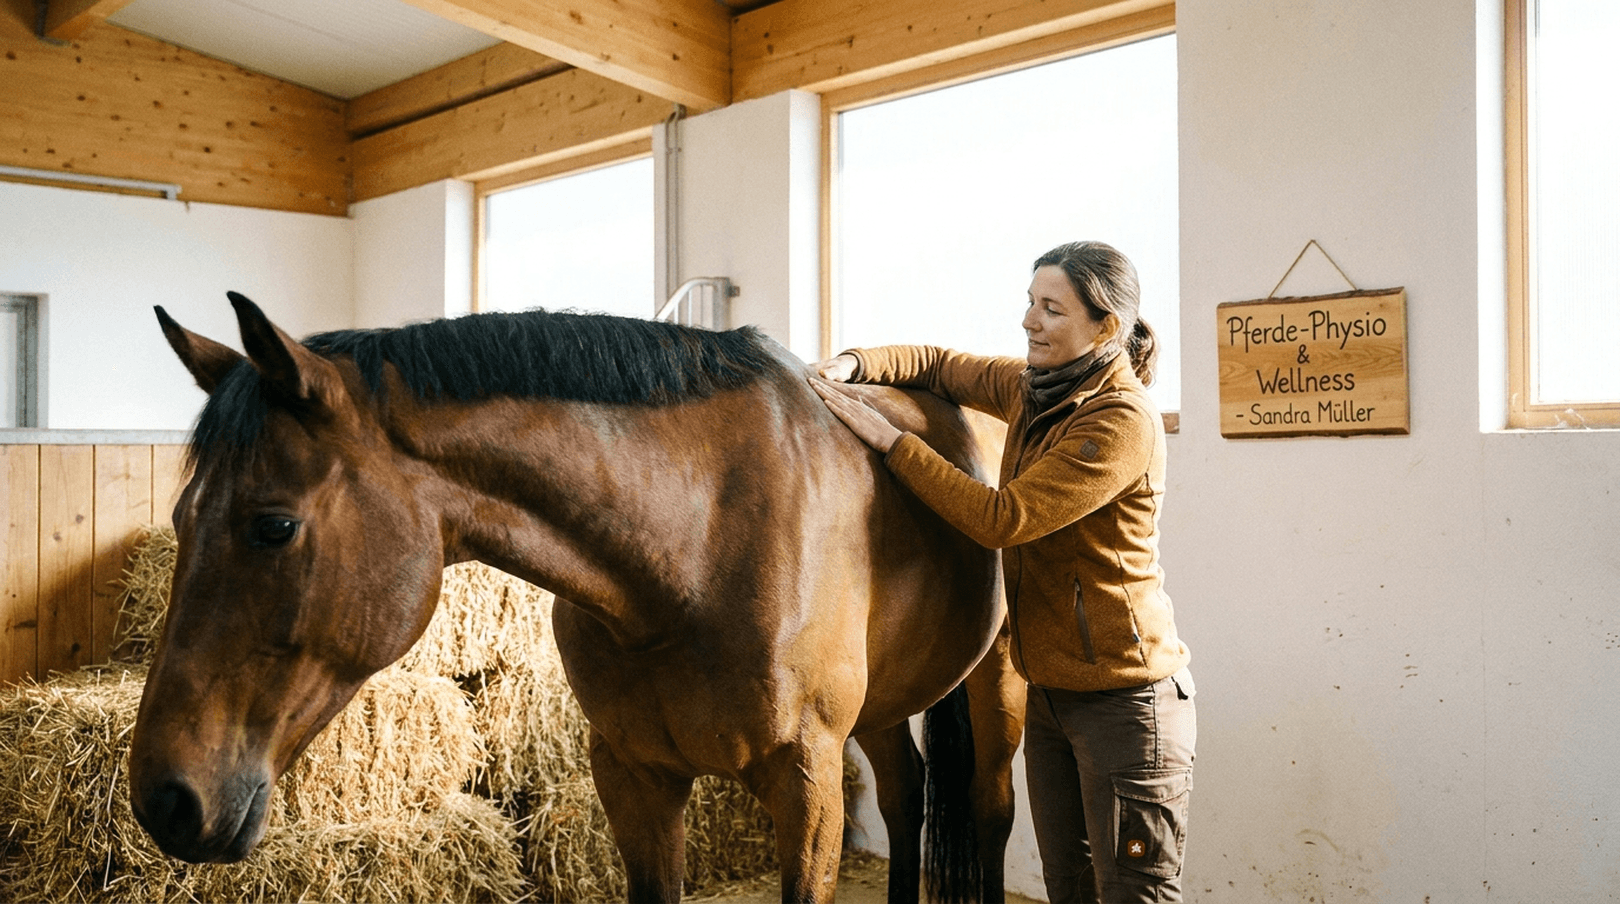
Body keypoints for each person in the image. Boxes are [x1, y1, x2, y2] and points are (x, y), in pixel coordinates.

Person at [811, 241, 1195, 904]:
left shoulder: (1120, 420)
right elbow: (938, 365)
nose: (1029, 321)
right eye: (1029, 302)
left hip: (1126, 711)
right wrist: (853, 362)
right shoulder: (1034, 390)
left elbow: (1003, 520)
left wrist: (893, 444)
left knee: (1137, 885)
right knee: (1067, 884)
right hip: (1048, 696)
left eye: (1051, 308)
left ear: (1104, 327)